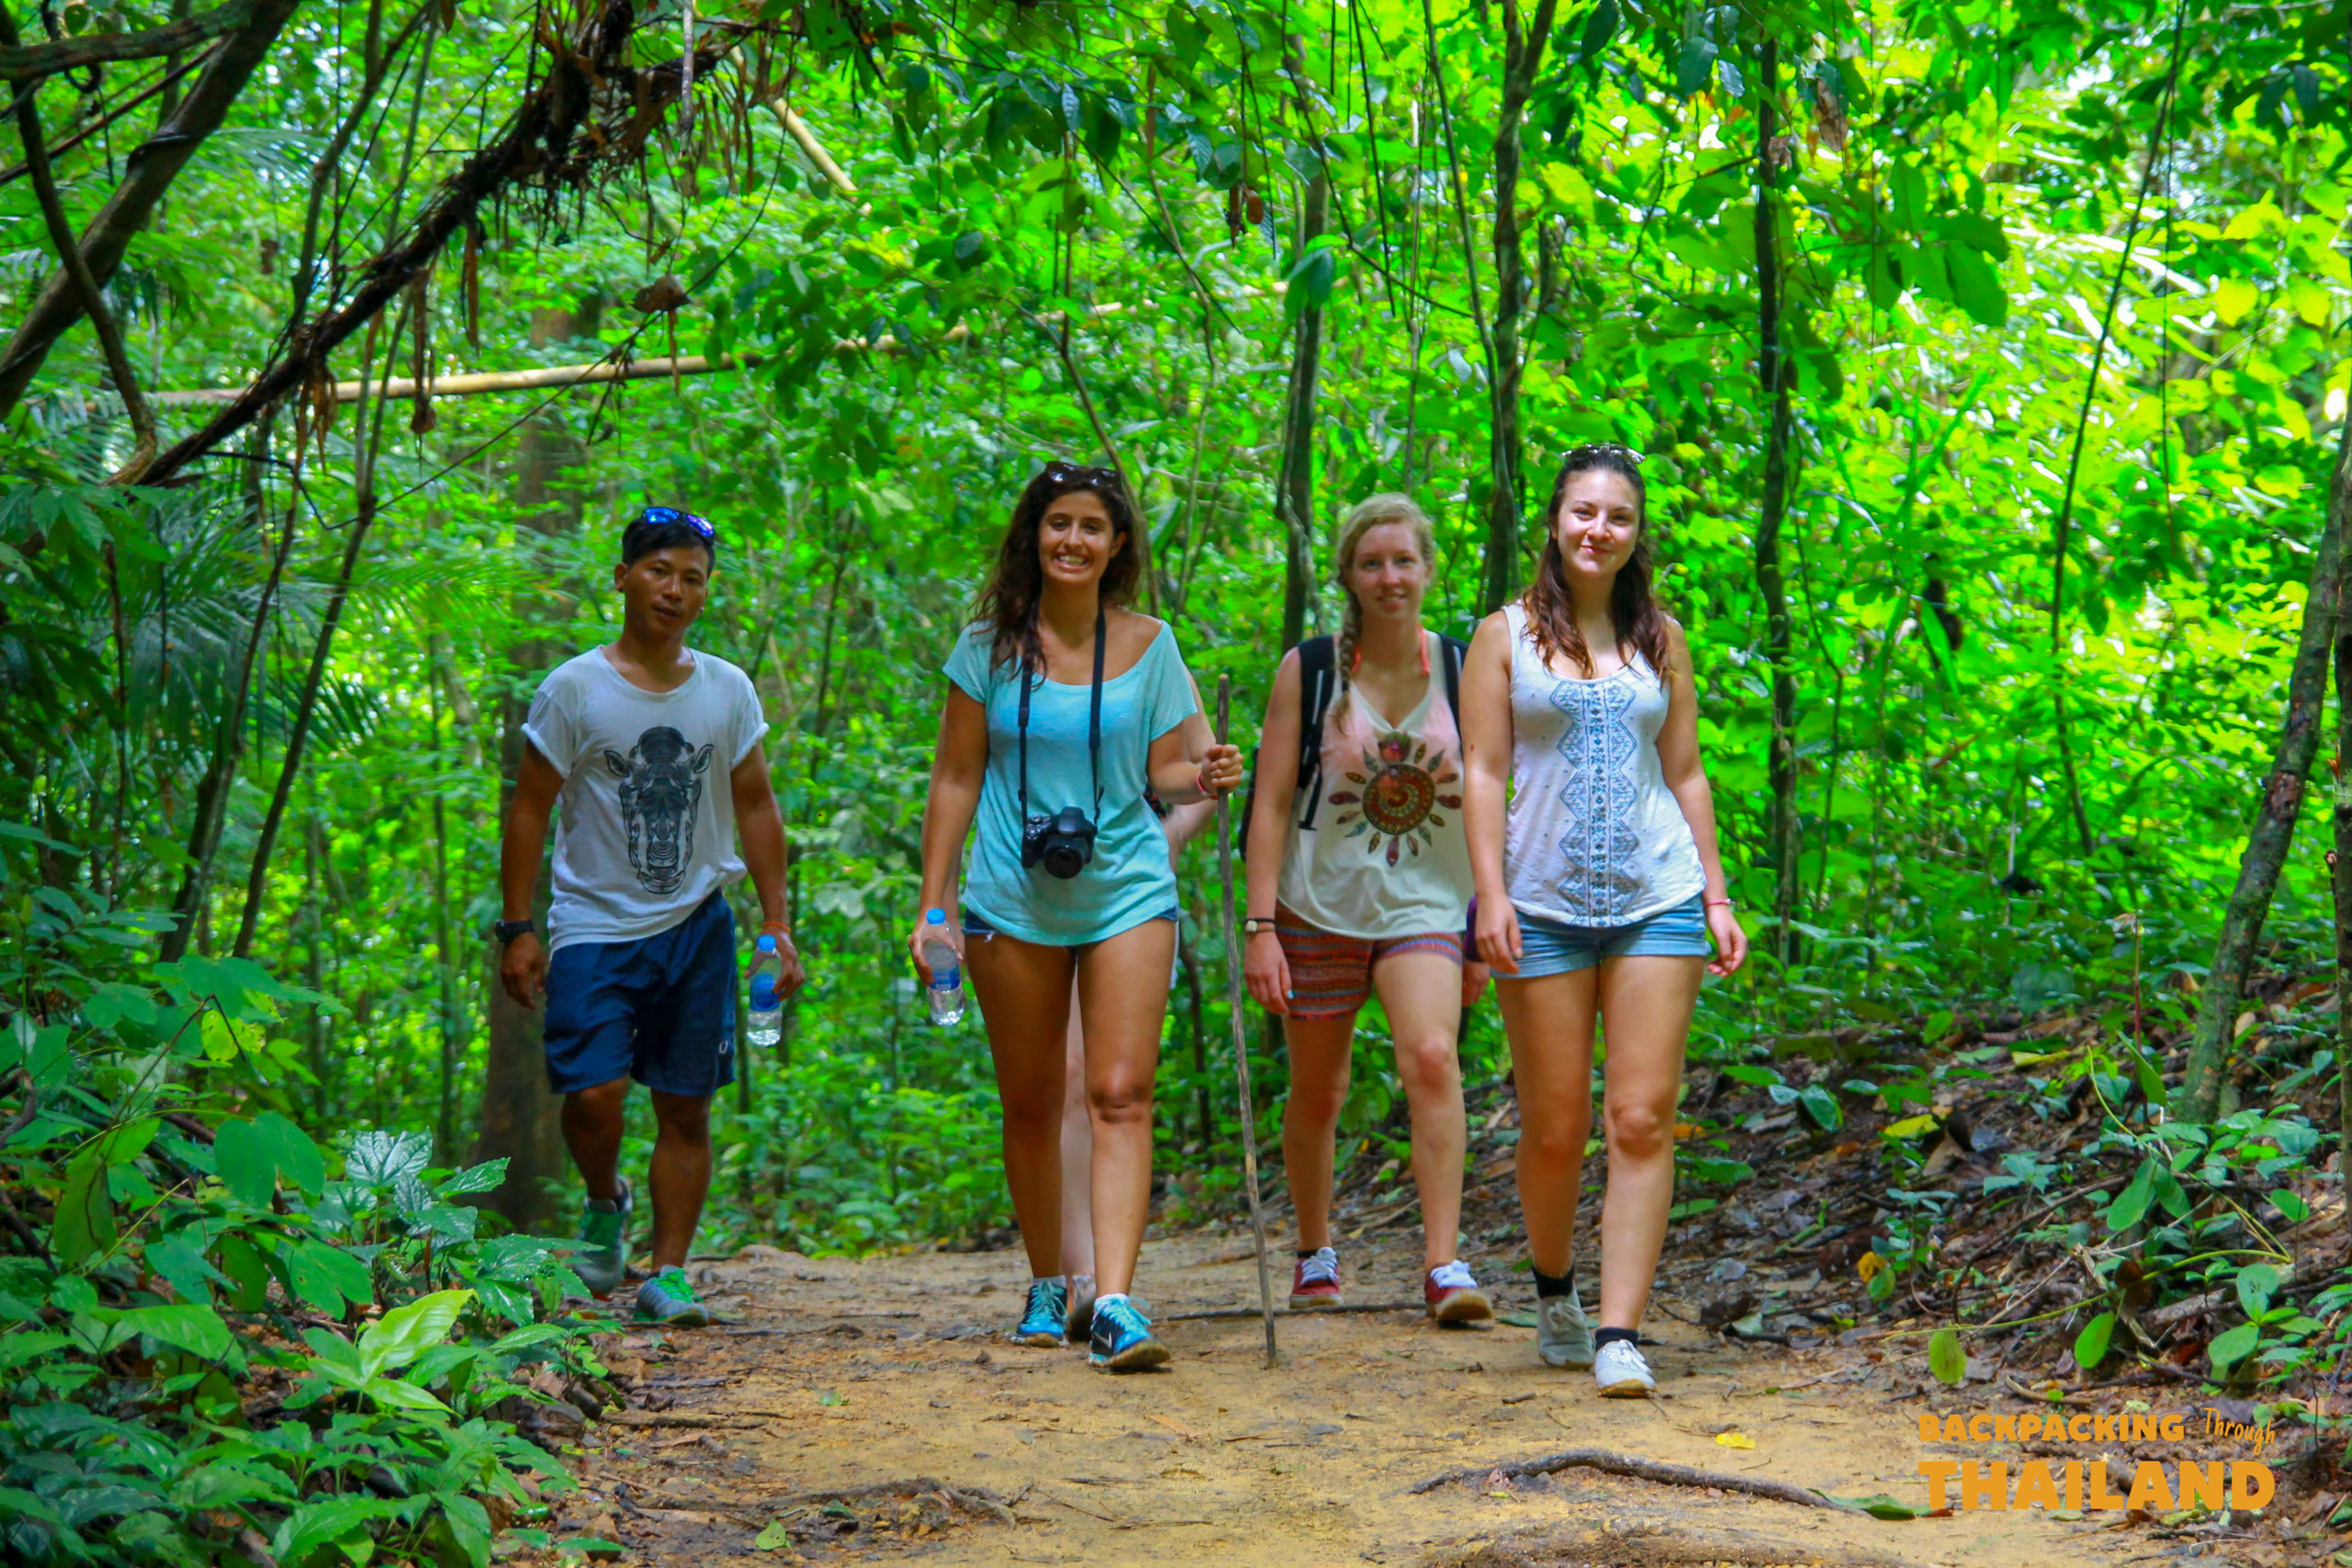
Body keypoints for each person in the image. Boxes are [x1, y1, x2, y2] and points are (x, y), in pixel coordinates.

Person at [911, 460, 1243, 1371]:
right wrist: (932, 903)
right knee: (1029, 1100)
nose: (1073, 540)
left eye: (1091, 526)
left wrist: (1204, 772)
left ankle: (1118, 1300)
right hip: (1008, 898)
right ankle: (1049, 1279)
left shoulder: (1151, 642)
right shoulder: (987, 647)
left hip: (1126, 888)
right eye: (1058, 523)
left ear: (1119, 544)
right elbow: (954, 775)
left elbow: (1171, 769)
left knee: (1119, 1092)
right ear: (1034, 534)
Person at [1459, 444, 1748, 1397]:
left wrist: (1713, 892)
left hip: (1653, 895)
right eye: (1583, 511)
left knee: (1639, 1114)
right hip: (1538, 902)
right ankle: (1555, 1292)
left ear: (1635, 534)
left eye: (1616, 516)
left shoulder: (1661, 635)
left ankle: (1619, 1331)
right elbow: (1484, 771)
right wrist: (1488, 894)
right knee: (1554, 1123)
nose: (1597, 529)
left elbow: (1686, 769)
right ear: (1554, 520)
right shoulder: (1500, 635)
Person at [496, 504, 804, 1327]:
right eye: (660, 571)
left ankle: (668, 1272)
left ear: (706, 593)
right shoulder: (573, 689)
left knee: (685, 1102)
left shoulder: (727, 690)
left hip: (698, 920)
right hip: (593, 925)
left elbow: (757, 805)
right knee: (593, 1094)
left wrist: (776, 924)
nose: (675, 590)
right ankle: (606, 1197)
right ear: (625, 577)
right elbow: (530, 807)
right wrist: (517, 926)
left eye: (692, 578)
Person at [1241, 494, 1494, 1324]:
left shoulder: (1462, 669)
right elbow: (1271, 803)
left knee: (1430, 1057)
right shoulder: (1312, 670)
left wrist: (1486, 926)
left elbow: (1498, 799)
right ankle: (1316, 1250)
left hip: (1425, 904)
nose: (1391, 577)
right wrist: (1261, 928)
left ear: (1427, 569)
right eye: (1372, 562)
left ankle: (1444, 1263)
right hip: (1316, 905)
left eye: (1404, 561)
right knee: (1320, 1086)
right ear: (1350, 576)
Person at [1052, 795, 1215, 1346]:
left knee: (1116, 1088)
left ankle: (1113, 1288)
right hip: (1043, 883)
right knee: (1070, 1078)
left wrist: (1172, 833)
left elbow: (1206, 769)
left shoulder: (1164, 700)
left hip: (1133, 886)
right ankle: (1082, 1278)